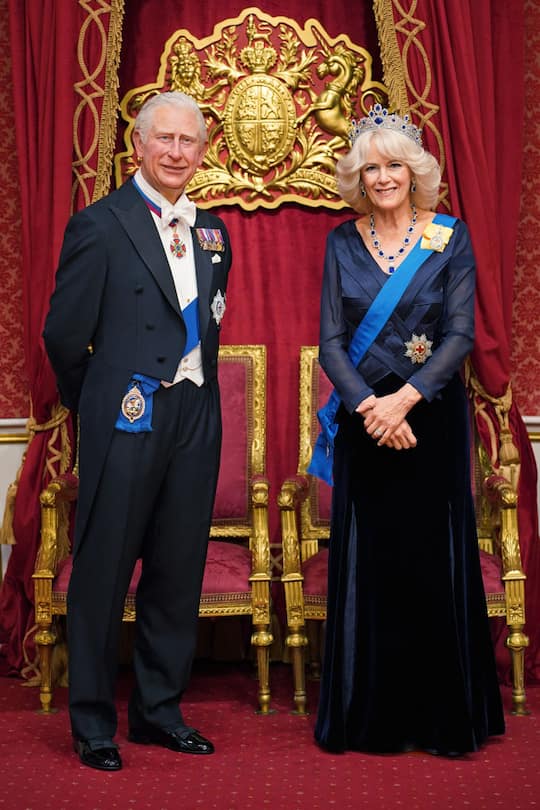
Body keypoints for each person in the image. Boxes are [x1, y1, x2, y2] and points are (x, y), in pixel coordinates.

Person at [43, 91, 232, 771]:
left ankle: (158, 712)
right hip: (126, 412)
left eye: (190, 142)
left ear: (202, 152)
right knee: (103, 571)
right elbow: (63, 335)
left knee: (177, 570)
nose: (177, 153)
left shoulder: (214, 231)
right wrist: (93, 401)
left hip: (193, 417)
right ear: (138, 144)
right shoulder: (100, 224)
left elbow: (210, 323)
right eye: (166, 140)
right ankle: (93, 725)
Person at [310, 104, 505, 755]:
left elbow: (460, 335)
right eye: (372, 167)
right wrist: (372, 407)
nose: (384, 176)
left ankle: (444, 717)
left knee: (431, 560)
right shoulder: (342, 242)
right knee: (375, 562)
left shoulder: (449, 237)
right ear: (358, 177)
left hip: (433, 420)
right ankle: (373, 717)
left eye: (395, 164)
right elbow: (331, 345)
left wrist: (406, 401)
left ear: (414, 170)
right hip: (368, 422)